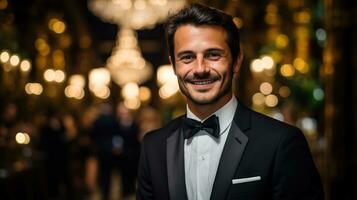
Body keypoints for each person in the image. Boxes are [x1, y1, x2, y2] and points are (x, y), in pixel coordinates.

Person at [136, 3, 324, 200]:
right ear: (173, 65)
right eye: (187, 57)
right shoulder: (153, 146)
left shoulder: (281, 142)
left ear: (236, 61)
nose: (200, 69)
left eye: (213, 55)